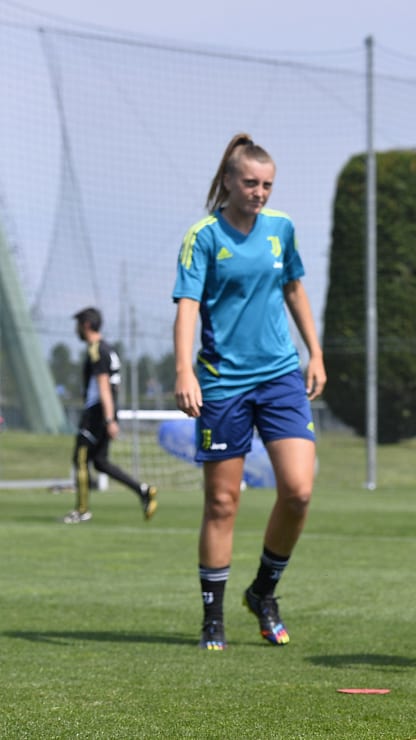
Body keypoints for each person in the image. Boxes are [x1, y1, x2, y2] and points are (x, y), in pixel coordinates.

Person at [172, 133, 326, 651]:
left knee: (299, 491)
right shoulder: (204, 236)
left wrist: (316, 352)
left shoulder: (281, 229)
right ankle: (212, 619)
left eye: (267, 184)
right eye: (250, 183)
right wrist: (183, 371)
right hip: (221, 384)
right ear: (229, 182)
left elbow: (294, 288)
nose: (259, 192)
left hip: (280, 376)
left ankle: (263, 591)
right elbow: (188, 306)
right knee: (222, 502)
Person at [62, 307, 158, 524]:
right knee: (100, 462)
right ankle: (143, 491)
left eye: (77, 324)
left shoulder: (98, 350)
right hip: (106, 411)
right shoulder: (109, 349)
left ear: (86, 325)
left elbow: (104, 386)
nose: (76, 329)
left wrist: (109, 419)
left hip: (97, 413)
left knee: (81, 458)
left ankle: (82, 510)